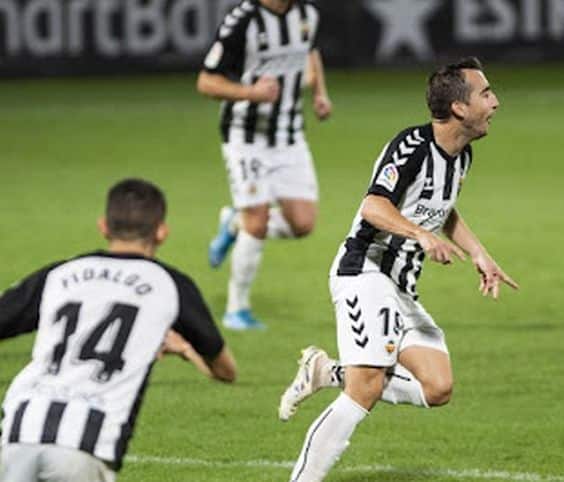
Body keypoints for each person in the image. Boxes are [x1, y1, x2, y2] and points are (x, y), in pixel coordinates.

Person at [277, 58, 519, 482]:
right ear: (459, 108)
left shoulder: (462, 156)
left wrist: (480, 253)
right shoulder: (411, 146)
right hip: (364, 271)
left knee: (438, 387)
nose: (495, 102)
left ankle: (326, 371)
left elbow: (443, 209)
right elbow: (374, 206)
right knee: (365, 389)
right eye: (486, 93)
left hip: (401, 287)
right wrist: (420, 236)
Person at [0, 179, 237, 482]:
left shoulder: (60, 273)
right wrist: (187, 350)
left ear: (103, 226)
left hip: (18, 431)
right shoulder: (170, 285)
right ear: (162, 232)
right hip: (83, 446)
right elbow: (226, 370)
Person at [197, 0, 332, 330]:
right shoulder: (241, 20)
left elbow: (309, 52)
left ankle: (234, 222)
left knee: (303, 224)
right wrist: (251, 93)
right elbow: (206, 82)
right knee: (256, 221)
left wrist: (319, 93)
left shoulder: (307, 14)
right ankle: (236, 309)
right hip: (245, 136)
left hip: (289, 135)